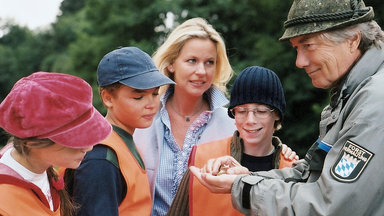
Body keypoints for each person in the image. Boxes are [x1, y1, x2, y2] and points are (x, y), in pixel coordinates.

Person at [189, 0, 384, 215]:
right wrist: (245, 178)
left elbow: (330, 206)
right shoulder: (351, 96)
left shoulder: (374, 104)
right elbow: (308, 174)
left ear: (352, 40)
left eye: (308, 45)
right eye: (296, 49)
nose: (299, 61)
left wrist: (243, 188)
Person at [133, 17, 297, 216]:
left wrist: (282, 152)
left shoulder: (234, 125)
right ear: (171, 64)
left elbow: (263, 159)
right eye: (192, 61)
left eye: (209, 62)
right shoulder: (141, 118)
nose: (201, 71)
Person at [167, 66, 299, 216]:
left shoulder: (292, 169)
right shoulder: (201, 157)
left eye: (261, 111)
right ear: (233, 113)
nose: (250, 120)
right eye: (241, 111)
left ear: (276, 115)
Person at [64, 47, 174, 216]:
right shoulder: (100, 156)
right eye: (139, 97)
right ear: (108, 98)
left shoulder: (123, 139)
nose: (152, 104)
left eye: (155, 93)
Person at [0, 72, 112, 216]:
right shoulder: (5, 203)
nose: (89, 147)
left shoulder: (41, 165)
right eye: (75, 140)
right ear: (31, 142)